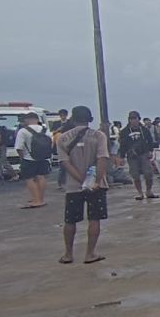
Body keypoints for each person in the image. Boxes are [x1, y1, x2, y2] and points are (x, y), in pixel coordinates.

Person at [56, 106, 109, 264]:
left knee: (70, 220)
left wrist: (80, 179)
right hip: (96, 186)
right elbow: (102, 159)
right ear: (90, 119)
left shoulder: (63, 138)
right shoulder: (98, 136)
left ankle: (68, 254)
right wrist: (96, 181)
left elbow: (64, 162)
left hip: (73, 186)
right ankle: (90, 253)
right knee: (94, 218)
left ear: (72, 119)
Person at [118, 111, 158, 200]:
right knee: (135, 175)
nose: (133, 121)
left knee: (148, 173)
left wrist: (150, 151)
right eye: (131, 119)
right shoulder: (124, 132)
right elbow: (122, 145)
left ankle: (149, 191)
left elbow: (150, 140)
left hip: (144, 154)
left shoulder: (144, 130)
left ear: (138, 119)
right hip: (132, 156)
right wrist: (122, 157)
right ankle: (140, 193)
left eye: (135, 118)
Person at [14, 111, 51, 209]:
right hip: (43, 157)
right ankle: (41, 199)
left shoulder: (23, 131)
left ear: (27, 119)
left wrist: (22, 157)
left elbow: (19, 147)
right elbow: (51, 143)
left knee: (30, 179)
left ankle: (36, 200)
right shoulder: (45, 129)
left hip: (28, 158)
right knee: (41, 177)